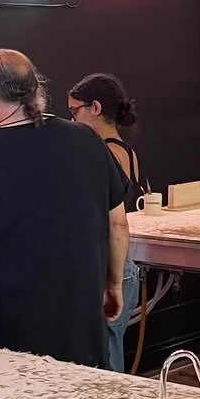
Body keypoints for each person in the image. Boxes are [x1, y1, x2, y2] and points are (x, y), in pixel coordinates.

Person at [0, 50, 129, 368]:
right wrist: (113, 284)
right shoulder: (87, 141)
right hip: (79, 325)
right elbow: (116, 223)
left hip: (2, 335)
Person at [68, 73, 144, 373]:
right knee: (110, 347)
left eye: (75, 112)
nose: (72, 121)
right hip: (123, 263)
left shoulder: (102, 154)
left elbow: (110, 220)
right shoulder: (126, 151)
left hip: (109, 265)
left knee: (107, 357)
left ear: (95, 108)